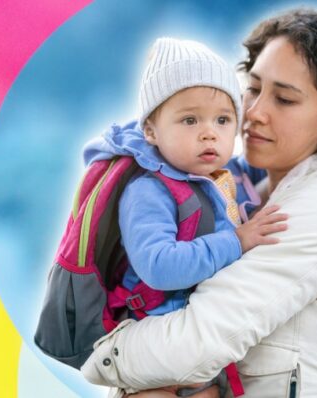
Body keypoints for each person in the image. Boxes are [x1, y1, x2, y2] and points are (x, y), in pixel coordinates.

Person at [81, 9, 317, 398]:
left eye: (285, 99)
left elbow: (194, 346)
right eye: (253, 89)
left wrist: (106, 354)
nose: (253, 114)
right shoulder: (230, 189)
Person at [82, 37, 288, 396]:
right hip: (157, 347)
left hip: (204, 348)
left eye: (223, 119)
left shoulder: (229, 176)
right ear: (151, 131)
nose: (209, 132)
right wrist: (236, 241)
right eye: (190, 120)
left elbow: (275, 168)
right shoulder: (149, 191)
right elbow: (159, 266)